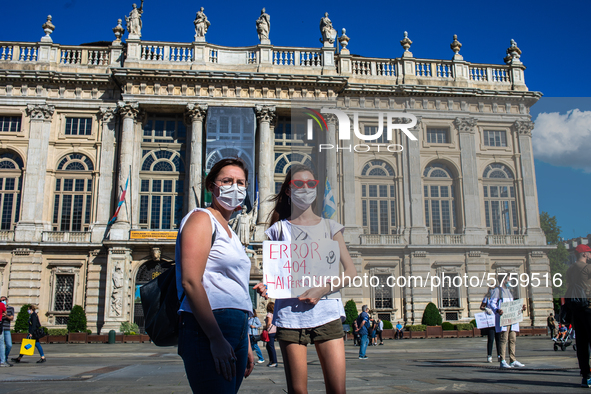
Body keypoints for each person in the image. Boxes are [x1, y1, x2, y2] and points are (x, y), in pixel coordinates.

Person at [264, 164, 357, 393]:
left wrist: (322, 289)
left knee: (337, 390)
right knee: (298, 391)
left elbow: (351, 273)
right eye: (298, 184)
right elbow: (277, 273)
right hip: (289, 317)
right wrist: (266, 286)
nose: (305, 188)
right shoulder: (277, 230)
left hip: (327, 313)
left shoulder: (330, 227)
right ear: (288, 190)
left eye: (310, 184)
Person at [175, 158, 255, 393]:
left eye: (241, 183)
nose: (235, 187)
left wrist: (247, 340)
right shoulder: (201, 218)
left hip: (236, 328)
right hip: (210, 325)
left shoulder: (230, 230)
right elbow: (190, 281)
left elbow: (237, 288)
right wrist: (216, 338)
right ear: (211, 186)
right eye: (227, 181)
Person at [564, 244, 591, 387]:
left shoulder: (570, 269)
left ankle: (586, 376)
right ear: (585, 254)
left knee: (581, 343)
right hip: (588, 307)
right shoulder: (587, 268)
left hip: (576, 309)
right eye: (589, 252)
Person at [489, 278, 526, 369]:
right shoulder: (497, 290)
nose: (510, 281)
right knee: (504, 339)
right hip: (504, 319)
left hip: (512, 319)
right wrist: (497, 310)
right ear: (503, 280)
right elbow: (491, 303)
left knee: (512, 339)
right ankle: (502, 360)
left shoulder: (509, 291)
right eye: (508, 280)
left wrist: (521, 307)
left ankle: (512, 360)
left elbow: (512, 305)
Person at [480, 287, 501, 363]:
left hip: (498, 319)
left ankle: (499, 355)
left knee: (498, 339)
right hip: (490, 320)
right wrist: (486, 309)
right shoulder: (487, 298)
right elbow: (481, 306)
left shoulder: (499, 297)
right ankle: (489, 355)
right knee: (491, 338)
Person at [1, 296, 14, 367]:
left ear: (7, 301)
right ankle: (2, 360)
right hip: (1, 328)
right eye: (1, 300)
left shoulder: (10, 308)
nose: (3, 301)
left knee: (9, 345)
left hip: (7, 329)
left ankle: (5, 358)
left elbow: (11, 318)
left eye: (4, 300)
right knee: (1, 345)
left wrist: (6, 316)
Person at [264, 302, 277, 367]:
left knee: (270, 346)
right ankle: (272, 361)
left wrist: (265, 327)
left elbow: (269, 323)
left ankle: (274, 361)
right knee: (269, 346)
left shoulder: (269, 314)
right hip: (274, 331)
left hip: (270, 331)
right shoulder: (274, 314)